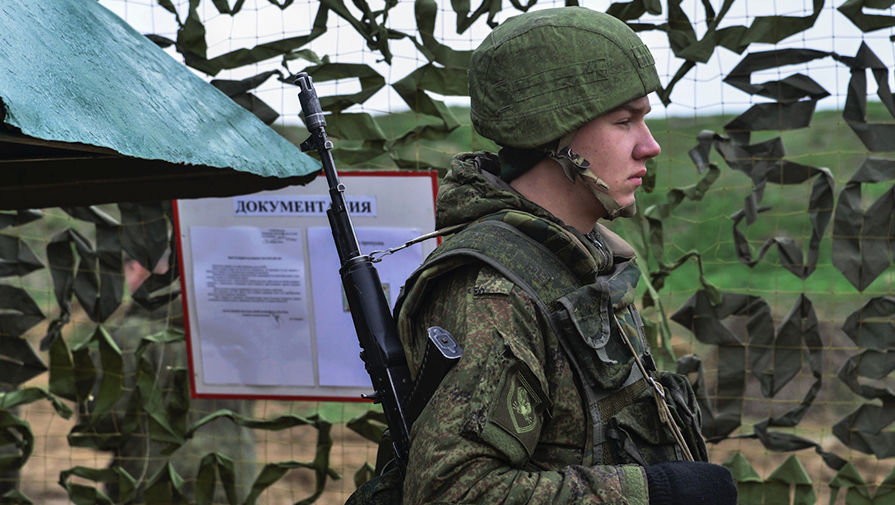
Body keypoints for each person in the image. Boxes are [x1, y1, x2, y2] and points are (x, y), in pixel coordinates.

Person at [359, 6, 739, 505]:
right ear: (552, 136)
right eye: (624, 121)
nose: (650, 146)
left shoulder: (583, 257)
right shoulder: (495, 291)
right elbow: (454, 490)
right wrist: (652, 494)